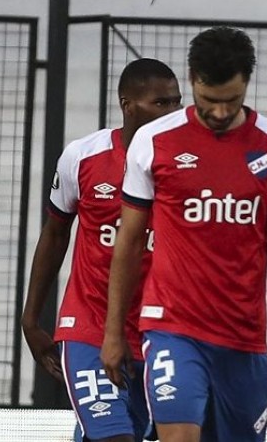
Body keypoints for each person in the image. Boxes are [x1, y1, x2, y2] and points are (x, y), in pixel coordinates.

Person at [100, 26, 267, 442]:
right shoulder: (154, 141)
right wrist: (114, 331)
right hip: (171, 327)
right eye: (209, 101)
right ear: (192, 80)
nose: (220, 113)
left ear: (246, 85)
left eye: (231, 101)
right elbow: (128, 243)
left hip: (243, 337)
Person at [21, 58, 182, 442]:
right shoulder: (82, 157)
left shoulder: (184, 166)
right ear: (128, 105)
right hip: (89, 327)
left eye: (177, 102)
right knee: (114, 437)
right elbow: (55, 235)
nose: (174, 112)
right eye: (161, 103)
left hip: (156, 334)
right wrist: (30, 320)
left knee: (111, 433)